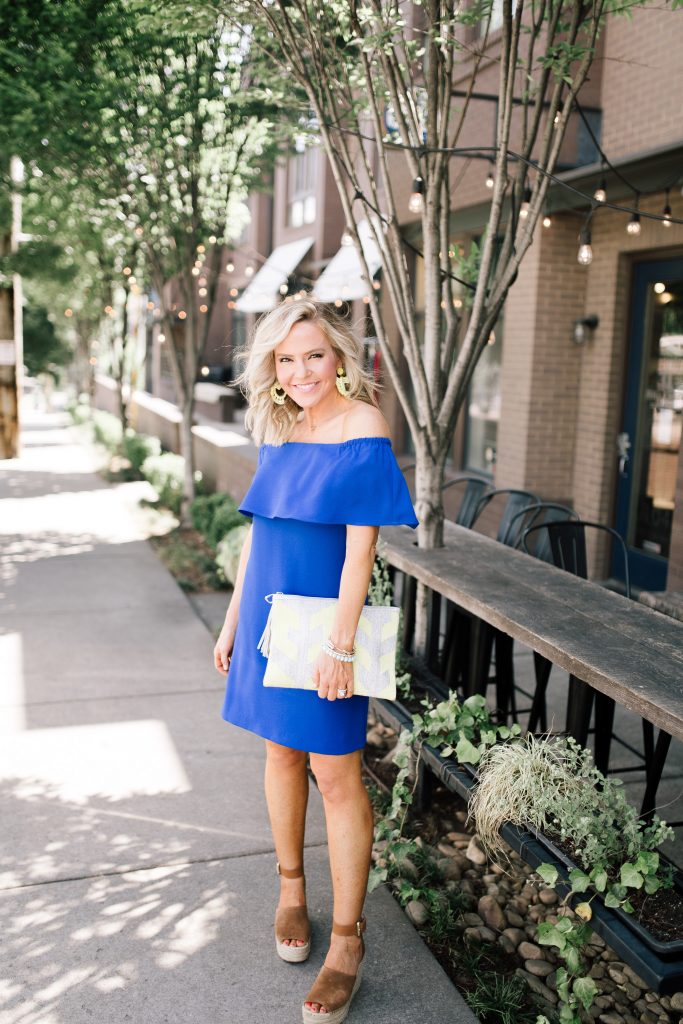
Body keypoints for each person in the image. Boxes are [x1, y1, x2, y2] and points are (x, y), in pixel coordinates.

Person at [213, 299, 418, 1022]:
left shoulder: (362, 426)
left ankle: (346, 940)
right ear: (272, 365)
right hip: (268, 618)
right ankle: (291, 891)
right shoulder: (278, 425)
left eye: (313, 355)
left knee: (336, 775)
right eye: (286, 358)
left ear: (339, 357)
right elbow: (258, 539)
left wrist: (339, 646)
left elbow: (361, 548)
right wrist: (232, 622)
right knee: (277, 755)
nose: (300, 371)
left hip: (325, 627)